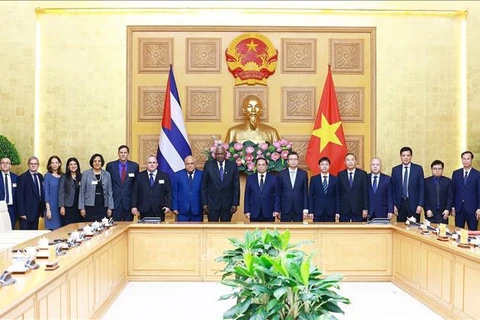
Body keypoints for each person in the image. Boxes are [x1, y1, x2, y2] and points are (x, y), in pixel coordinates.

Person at [201, 145, 240, 222]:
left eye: (222, 154)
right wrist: (204, 203)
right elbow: (203, 185)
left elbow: (236, 185)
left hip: (227, 204)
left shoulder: (232, 165)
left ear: (225, 154)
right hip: (211, 204)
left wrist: (235, 203)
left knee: (226, 229)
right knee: (212, 229)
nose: (220, 156)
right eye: (218, 154)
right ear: (215, 155)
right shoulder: (209, 165)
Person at [131, 155, 172, 221]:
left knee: (158, 230)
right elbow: (134, 193)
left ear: (157, 164)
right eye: (150, 162)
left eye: (154, 162)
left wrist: (168, 206)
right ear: (146, 164)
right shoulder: (139, 176)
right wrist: (133, 206)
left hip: (159, 209)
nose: (152, 164)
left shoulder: (164, 176)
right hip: (144, 209)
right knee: (145, 230)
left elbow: (169, 193)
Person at [391, 146, 425, 222]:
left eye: (408, 155)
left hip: (414, 205)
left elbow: (422, 188)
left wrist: (420, 205)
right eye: (403, 155)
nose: (406, 158)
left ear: (411, 156)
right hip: (400, 204)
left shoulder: (418, 169)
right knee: (400, 228)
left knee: (414, 228)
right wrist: (394, 205)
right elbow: (393, 188)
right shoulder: (395, 170)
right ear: (400, 157)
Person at [106, 145, 139, 222]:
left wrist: (134, 204)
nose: (123, 154)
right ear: (118, 153)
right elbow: (108, 185)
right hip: (115, 201)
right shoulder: (110, 166)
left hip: (128, 202)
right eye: (121, 152)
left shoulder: (134, 166)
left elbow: (136, 185)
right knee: (114, 226)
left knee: (128, 225)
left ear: (128, 154)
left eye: (125, 152)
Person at [79, 153, 114, 222]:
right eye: (95, 161)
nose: (97, 163)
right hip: (89, 206)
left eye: (99, 161)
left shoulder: (107, 174)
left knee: (103, 227)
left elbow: (110, 191)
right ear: (92, 162)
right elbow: (82, 191)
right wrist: (81, 208)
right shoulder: (86, 174)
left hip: (103, 205)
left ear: (102, 162)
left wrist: (110, 207)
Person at [244, 158, 280, 222]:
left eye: (263, 165)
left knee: (269, 231)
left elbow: (277, 195)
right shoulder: (250, 178)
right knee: (255, 231)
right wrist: (247, 211)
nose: (261, 167)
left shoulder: (273, 178)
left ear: (266, 166)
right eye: (259, 165)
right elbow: (247, 196)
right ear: (256, 166)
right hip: (254, 211)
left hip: (269, 211)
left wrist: (276, 210)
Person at [451, 151, 480, 230]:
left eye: (468, 159)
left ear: (471, 160)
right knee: (458, 232)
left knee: (473, 232)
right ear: (461, 159)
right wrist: (452, 206)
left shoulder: (477, 174)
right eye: (464, 159)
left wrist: (479, 208)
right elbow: (453, 191)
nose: (466, 161)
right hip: (459, 208)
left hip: (472, 209)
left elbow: (479, 193)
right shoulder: (456, 173)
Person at [278, 151, 308, 222]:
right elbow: (279, 192)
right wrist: (278, 209)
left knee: (298, 231)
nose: (293, 161)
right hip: (285, 208)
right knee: (284, 231)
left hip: (299, 208)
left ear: (298, 161)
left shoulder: (303, 174)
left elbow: (305, 192)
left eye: (295, 159)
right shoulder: (281, 174)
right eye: (291, 159)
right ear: (287, 161)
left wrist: (305, 209)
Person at [337, 153, 368, 222]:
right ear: (345, 162)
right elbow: (338, 193)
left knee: (359, 231)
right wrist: (338, 211)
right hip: (344, 210)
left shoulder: (362, 174)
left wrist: (365, 208)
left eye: (352, 160)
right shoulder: (340, 175)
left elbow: (365, 193)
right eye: (348, 160)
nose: (350, 162)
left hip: (358, 209)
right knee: (344, 231)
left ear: (356, 162)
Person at [16, 156, 45, 230]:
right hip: (26, 212)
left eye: (35, 163)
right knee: (25, 235)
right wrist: (21, 212)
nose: (33, 165)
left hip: (36, 212)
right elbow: (19, 196)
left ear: (38, 165)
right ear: (28, 165)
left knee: (33, 234)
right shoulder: (23, 177)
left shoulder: (40, 176)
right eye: (31, 163)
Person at [172, 155, 203, 222]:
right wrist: (174, 207)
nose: (190, 165)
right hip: (182, 210)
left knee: (197, 231)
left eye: (192, 163)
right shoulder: (177, 175)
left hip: (197, 209)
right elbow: (174, 192)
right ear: (184, 164)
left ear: (195, 164)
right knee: (183, 232)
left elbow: (205, 191)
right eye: (187, 164)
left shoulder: (202, 175)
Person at [308, 157, 339, 222]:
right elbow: (310, 196)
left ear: (329, 166)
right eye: (322, 164)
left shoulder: (335, 179)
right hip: (317, 211)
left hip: (331, 211)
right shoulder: (314, 179)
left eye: (326, 164)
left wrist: (337, 211)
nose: (324, 166)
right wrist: (311, 211)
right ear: (319, 166)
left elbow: (337, 196)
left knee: (330, 231)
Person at [424, 160, 452, 224]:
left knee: (442, 232)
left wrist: (448, 209)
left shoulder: (448, 181)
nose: (437, 170)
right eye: (435, 169)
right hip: (430, 213)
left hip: (443, 213)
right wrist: (427, 209)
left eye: (439, 168)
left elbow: (450, 197)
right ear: (431, 169)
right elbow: (425, 197)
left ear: (442, 169)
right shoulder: (426, 181)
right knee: (429, 232)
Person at [58, 157, 82, 226]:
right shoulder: (64, 177)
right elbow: (61, 192)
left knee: (78, 227)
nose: (73, 166)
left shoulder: (81, 176)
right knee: (67, 227)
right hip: (68, 207)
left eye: (75, 164)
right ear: (68, 166)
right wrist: (61, 206)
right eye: (71, 164)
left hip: (78, 207)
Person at [44, 155, 63, 230]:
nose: (54, 164)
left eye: (56, 162)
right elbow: (46, 193)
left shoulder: (63, 176)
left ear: (59, 164)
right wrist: (48, 209)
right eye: (52, 163)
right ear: (50, 165)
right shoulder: (47, 176)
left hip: (61, 207)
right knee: (52, 230)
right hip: (51, 207)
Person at [0, 157, 18, 229]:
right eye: (3, 163)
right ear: (0, 165)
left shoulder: (16, 177)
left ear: (10, 165)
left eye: (7, 163)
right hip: (0, 207)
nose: (5, 165)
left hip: (12, 208)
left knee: (11, 228)